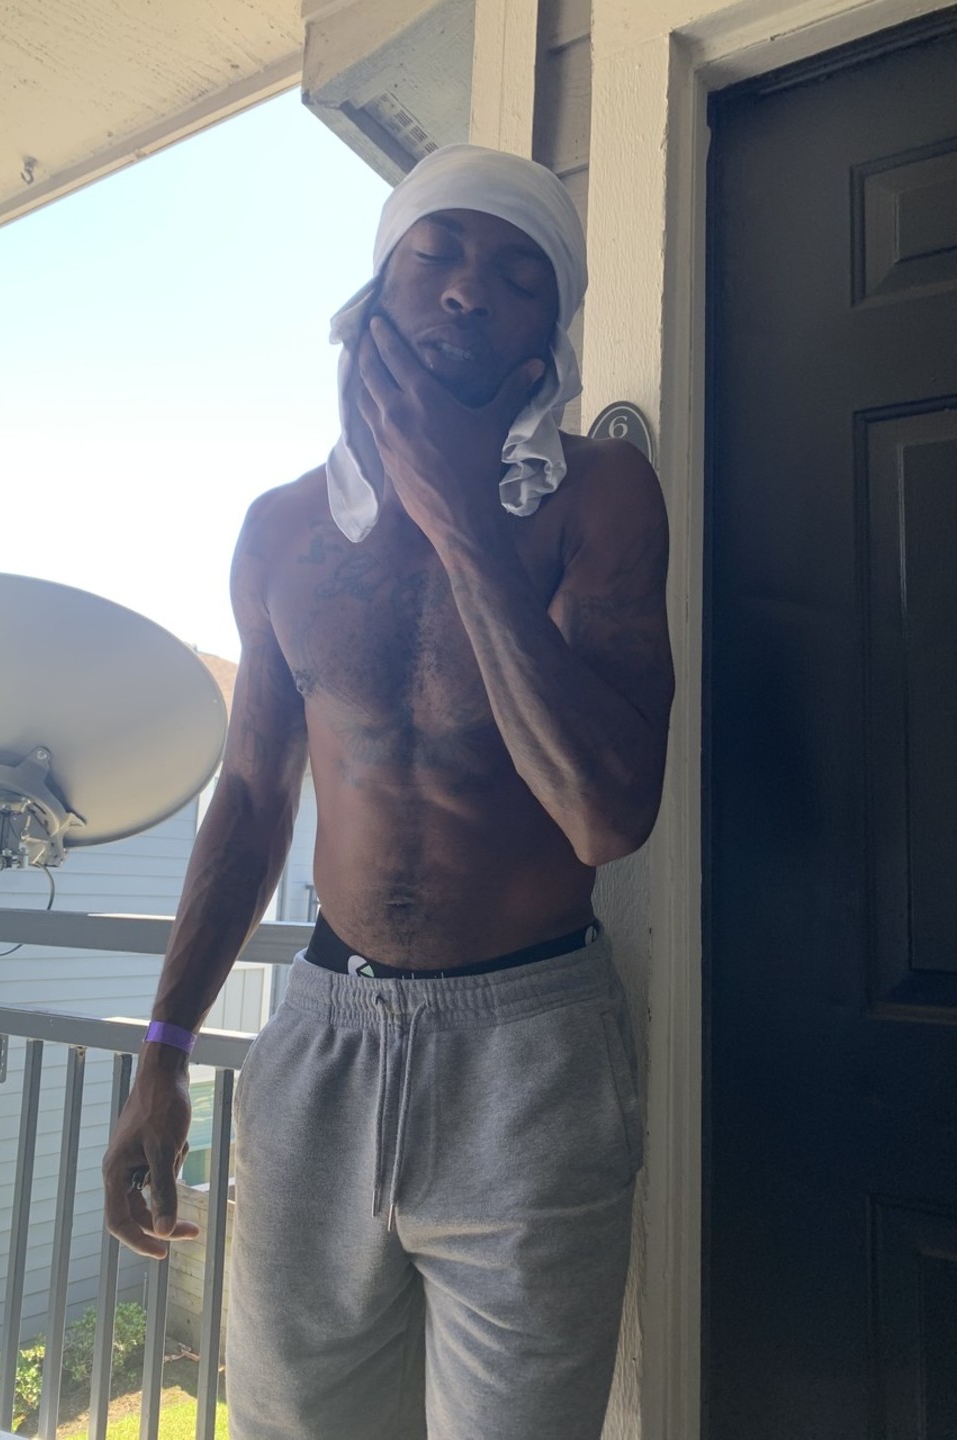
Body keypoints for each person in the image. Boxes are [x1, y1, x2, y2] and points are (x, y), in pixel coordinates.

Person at [103, 144, 674, 1440]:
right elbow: (253, 798)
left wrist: (461, 513)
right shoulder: (280, 530)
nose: (470, 289)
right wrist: (164, 1048)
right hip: (323, 1035)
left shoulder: (599, 499)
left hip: (528, 1051)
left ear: (549, 334)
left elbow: (606, 817)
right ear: (374, 292)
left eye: (519, 275)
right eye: (439, 253)